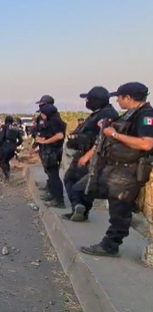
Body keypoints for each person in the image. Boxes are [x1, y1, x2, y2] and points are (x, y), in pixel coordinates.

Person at [76, 82, 153, 257]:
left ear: (128, 98)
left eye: (119, 97)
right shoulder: (131, 114)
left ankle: (110, 245)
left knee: (119, 210)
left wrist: (114, 134)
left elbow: (147, 143)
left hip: (130, 170)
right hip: (116, 168)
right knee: (88, 189)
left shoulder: (146, 115)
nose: (117, 100)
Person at [62, 86, 119, 222]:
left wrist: (88, 155)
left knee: (84, 185)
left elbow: (103, 139)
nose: (86, 102)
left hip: (93, 156)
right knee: (71, 179)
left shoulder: (108, 115)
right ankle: (78, 207)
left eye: (88, 100)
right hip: (83, 153)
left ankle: (81, 210)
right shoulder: (99, 113)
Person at [35, 103, 67, 208]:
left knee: (54, 177)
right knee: (51, 176)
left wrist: (45, 142)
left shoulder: (55, 122)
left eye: (43, 113)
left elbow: (60, 135)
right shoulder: (51, 121)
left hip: (53, 152)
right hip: (49, 152)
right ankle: (53, 196)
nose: (42, 116)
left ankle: (59, 201)